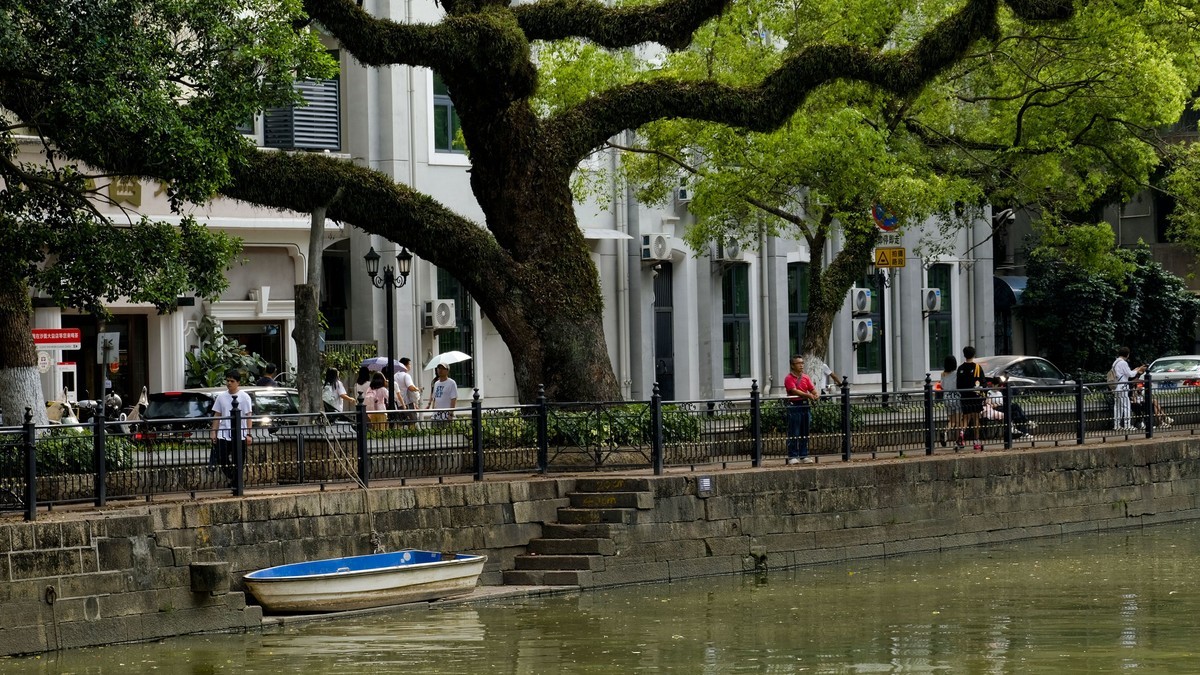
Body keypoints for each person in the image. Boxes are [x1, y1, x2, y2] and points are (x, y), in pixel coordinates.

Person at [210, 370, 252, 487]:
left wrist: (248, 434)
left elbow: (248, 416)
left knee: (238, 460)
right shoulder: (221, 397)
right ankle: (233, 477)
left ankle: (236, 482)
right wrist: (213, 432)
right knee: (221, 458)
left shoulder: (245, 397)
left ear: (238, 382)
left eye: (232, 381)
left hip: (239, 434)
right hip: (223, 433)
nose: (229, 383)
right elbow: (217, 415)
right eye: (227, 381)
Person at [784, 355, 819, 464]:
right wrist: (807, 395)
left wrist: (815, 394)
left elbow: (812, 389)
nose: (801, 365)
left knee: (805, 431)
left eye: (802, 363)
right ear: (792, 365)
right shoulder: (789, 378)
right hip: (794, 405)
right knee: (794, 431)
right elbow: (794, 391)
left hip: (805, 405)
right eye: (798, 363)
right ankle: (793, 456)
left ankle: (804, 455)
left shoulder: (806, 377)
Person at [956, 346, 985, 451]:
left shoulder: (960, 368)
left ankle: (961, 434)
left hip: (965, 396)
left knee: (966, 418)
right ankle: (976, 441)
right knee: (976, 419)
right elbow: (983, 383)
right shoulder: (977, 367)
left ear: (964, 355)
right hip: (975, 396)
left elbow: (958, 385)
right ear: (974, 355)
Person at [1112, 346, 1146, 431]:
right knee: (1126, 406)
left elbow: (1125, 373)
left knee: (1117, 406)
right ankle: (1127, 425)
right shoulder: (1123, 363)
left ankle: (1116, 425)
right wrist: (1138, 370)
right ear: (1127, 354)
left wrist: (1134, 370)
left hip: (1116, 387)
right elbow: (1130, 375)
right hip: (1123, 386)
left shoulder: (1115, 362)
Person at [939, 355, 962, 448]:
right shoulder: (957, 373)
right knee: (958, 422)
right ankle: (957, 441)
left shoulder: (943, 374)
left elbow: (942, 386)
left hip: (947, 398)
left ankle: (945, 431)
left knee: (951, 421)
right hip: (956, 398)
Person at [399, 357, 422, 423]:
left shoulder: (395, 375)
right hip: (407, 402)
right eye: (409, 364)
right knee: (412, 422)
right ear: (405, 365)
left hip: (398, 403)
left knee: (400, 423)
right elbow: (410, 387)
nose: (410, 366)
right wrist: (417, 389)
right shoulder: (406, 376)